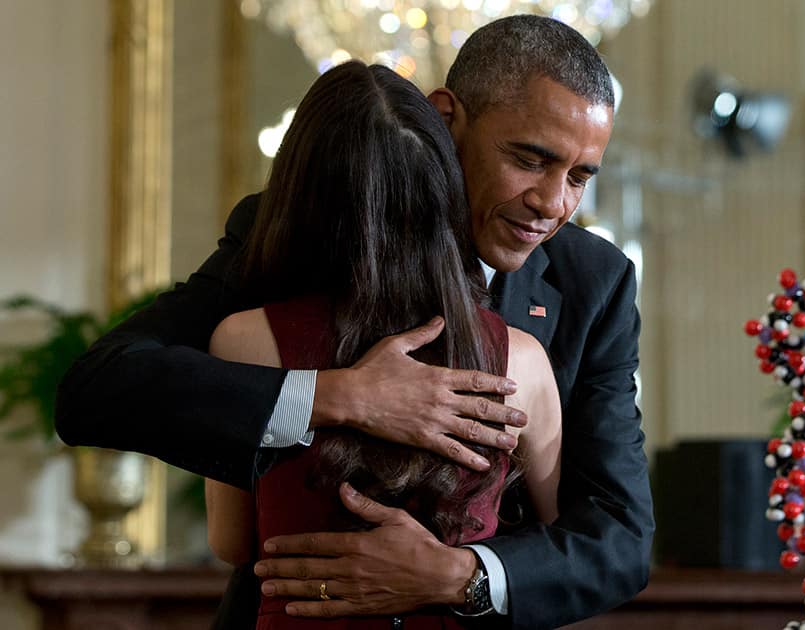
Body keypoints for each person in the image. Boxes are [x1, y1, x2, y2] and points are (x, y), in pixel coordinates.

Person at [56, 14, 653, 629]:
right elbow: (96, 391)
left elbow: (618, 539)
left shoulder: (594, 281)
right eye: (529, 160)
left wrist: (459, 576)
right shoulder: (297, 231)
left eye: (580, 176)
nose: (554, 204)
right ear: (446, 117)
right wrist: (333, 395)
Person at [203, 60, 562, 629]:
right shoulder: (522, 359)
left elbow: (230, 542)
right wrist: (456, 568)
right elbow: (558, 544)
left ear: (300, 189)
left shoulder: (244, 339)